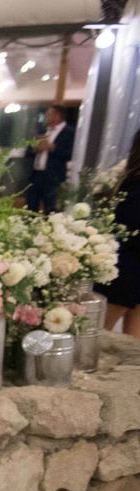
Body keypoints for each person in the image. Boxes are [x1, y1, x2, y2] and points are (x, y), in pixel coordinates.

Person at [96, 130, 140, 338]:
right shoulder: (132, 182)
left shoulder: (129, 182)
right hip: (127, 265)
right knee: (108, 332)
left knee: (104, 332)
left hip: (125, 263)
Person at [26, 105, 75, 213]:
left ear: (58, 116)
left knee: (51, 207)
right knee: (31, 205)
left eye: (49, 114)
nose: (47, 117)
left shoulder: (69, 132)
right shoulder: (42, 131)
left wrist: (53, 148)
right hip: (36, 175)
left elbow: (71, 154)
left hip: (54, 177)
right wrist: (35, 149)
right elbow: (28, 151)